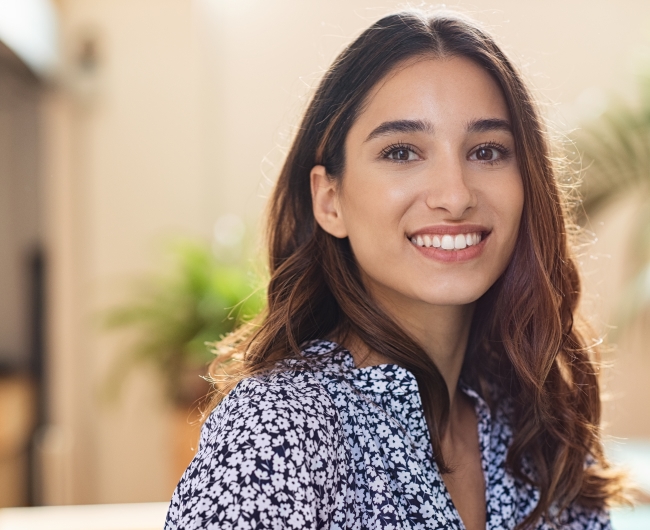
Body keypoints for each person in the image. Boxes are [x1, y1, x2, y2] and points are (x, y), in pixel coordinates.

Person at [164, 10, 626, 530]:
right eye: (402, 151)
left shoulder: (540, 427)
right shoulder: (278, 429)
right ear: (330, 199)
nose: (455, 196)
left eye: (487, 151)